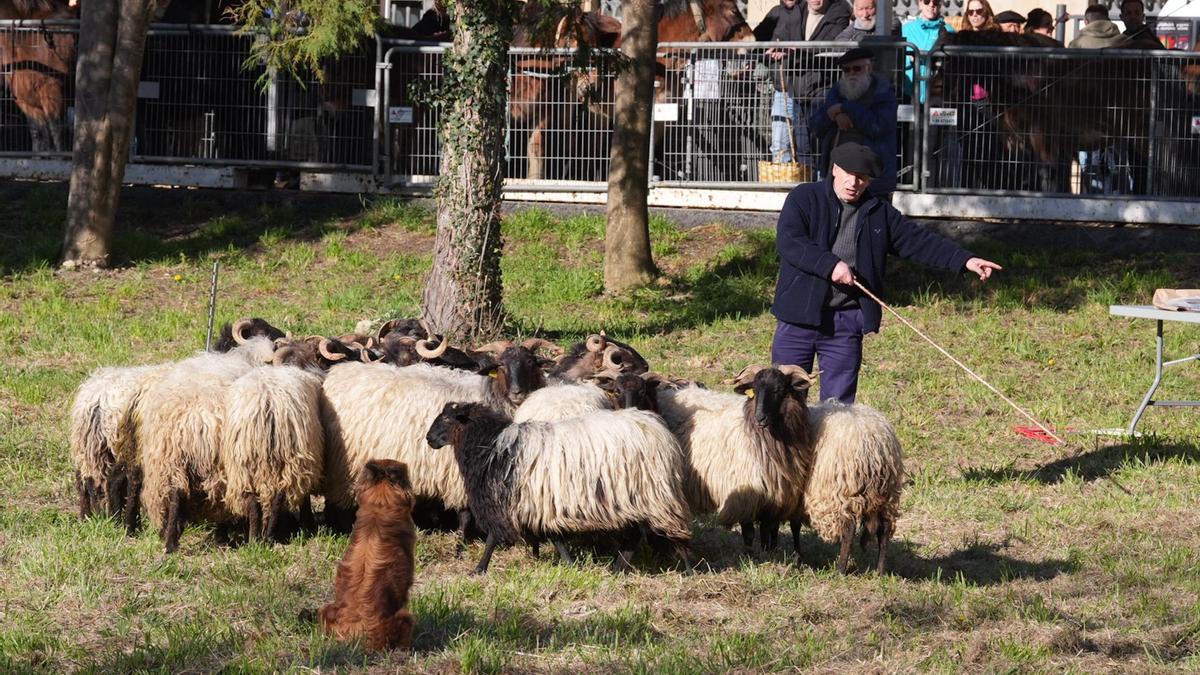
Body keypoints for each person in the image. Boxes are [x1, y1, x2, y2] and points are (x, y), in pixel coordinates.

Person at [771, 142, 1001, 403]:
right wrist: (830, 265)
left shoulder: (878, 213)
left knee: (838, 407)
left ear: (870, 181)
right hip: (797, 316)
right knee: (784, 400)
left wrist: (965, 260)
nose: (854, 183)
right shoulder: (804, 198)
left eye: (862, 178)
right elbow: (790, 241)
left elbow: (918, 241)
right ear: (834, 169)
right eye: (849, 174)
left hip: (845, 321)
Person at [757, 0, 852, 164]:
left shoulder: (838, 11)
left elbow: (830, 43)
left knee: (818, 145)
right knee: (788, 145)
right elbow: (757, 41)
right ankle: (791, 179)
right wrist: (768, 53)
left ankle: (819, 178)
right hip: (790, 86)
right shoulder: (788, 12)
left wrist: (795, 50)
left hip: (820, 87)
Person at [809, 48, 898, 195]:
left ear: (868, 68)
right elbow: (816, 127)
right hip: (837, 173)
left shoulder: (883, 92)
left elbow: (877, 127)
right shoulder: (837, 91)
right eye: (846, 70)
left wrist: (845, 107)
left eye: (857, 69)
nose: (851, 74)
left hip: (871, 176)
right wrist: (832, 116)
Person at [901, 0, 953, 102]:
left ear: (940, 5)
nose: (931, 4)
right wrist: (910, 59)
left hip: (937, 96)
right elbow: (898, 59)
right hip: (909, 93)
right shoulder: (906, 29)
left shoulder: (949, 30)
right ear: (920, 4)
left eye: (935, 2)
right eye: (926, 1)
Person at [835, 0, 901, 40]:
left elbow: (880, 40)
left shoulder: (890, 21)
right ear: (855, 12)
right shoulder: (856, 24)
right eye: (860, 9)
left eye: (869, 8)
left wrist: (854, 41)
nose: (865, 14)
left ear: (877, 7)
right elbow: (840, 40)